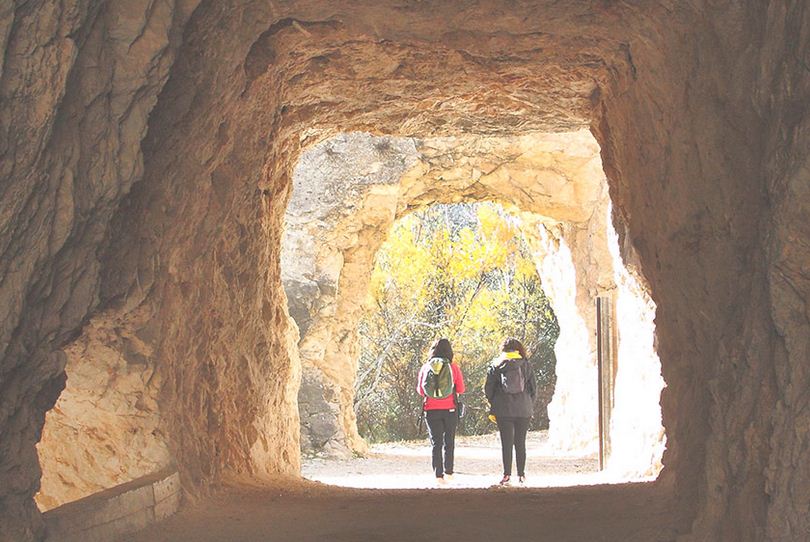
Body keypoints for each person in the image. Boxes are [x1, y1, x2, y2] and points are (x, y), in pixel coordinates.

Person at [485, 338, 536, 486]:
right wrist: (528, 404)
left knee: (506, 443)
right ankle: (521, 475)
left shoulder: (496, 365)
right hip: (523, 409)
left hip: (503, 409)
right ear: (519, 349)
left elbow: (488, 389)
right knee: (520, 442)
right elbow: (533, 389)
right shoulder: (526, 365)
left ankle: (507, 475)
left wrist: (495, 403)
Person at [416, 338, 465, 485]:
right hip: (450, 408)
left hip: (431, 409)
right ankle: (449, 471)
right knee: (449, 441)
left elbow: (421, 391)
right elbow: (461, 389)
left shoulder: (425, 367)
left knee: (436, 443)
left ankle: (438, 475)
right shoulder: (453, 368)